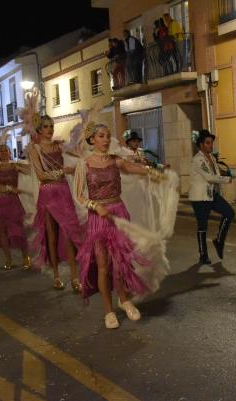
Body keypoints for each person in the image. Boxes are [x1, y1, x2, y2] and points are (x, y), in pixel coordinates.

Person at [74, 122, 168, 329]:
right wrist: (94, 205)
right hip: (98, 217)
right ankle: (108, 311)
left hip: (118, 213)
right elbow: (78, 195)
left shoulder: (116, 161)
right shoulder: (84, 164)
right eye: (101, 136)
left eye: (107, 136)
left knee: (120, 262)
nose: (106, 139)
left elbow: (133, 168)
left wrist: (152, 172)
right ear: (92, 140)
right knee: (102, 266)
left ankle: (124, 300)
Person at [28, 115, 83, 291]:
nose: (49, 129)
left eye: (51, 126)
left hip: (64, 191)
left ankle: (75, 278)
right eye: (45, 126)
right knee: (51, 236)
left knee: (69, 233)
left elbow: (80, 157)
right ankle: (56, 276)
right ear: (39, 130)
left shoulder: (59, 145)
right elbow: (40, 175)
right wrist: (61, 172)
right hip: (48, 194)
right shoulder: (34, 149)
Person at [189, 129, 235, 265]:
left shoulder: (212, 158)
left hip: (211, 195)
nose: (211, 145)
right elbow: (209, 177)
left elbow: (216, 172)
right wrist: (227, 179)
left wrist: (231, 173)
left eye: (211, 143)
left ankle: (219, 240)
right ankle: (203, 255)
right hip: (200, 198)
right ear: (201, 144)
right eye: (208, 143)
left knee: (229, 213)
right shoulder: (197, 160)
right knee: (202, 226)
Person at [0, 143, 31, 270]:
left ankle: (26, 257)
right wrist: (9, 189)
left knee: (20, 230)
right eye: (1, 151)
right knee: (2, 231)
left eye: (5, 150)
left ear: (10, 152)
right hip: (0, 202)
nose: (3, 153)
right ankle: (8, 258)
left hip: (14, 202)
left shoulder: (15, 165)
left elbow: (31, 172)